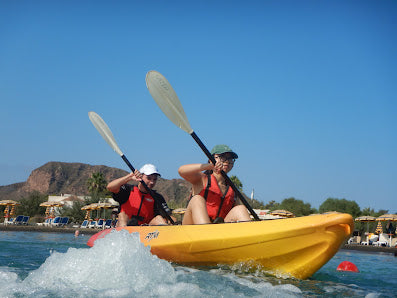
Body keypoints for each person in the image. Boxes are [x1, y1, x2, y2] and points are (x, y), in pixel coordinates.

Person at [179, 144, 251, 225]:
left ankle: (252, 235)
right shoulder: (202, 179)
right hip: (193, 228)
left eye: (230, 158)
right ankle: (206, 232)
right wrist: (210, 166)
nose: (227, 161)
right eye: (223, 157)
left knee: (240, 209)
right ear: (211, 159)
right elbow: (181, 171)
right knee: (197, 199)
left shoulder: (232, 190)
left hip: (217, 229)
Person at [107, 164, 173, 227]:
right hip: (126, 228)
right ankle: (123, 235)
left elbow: (168, 216)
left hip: (146, 230)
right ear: (140, 177)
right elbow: (110, 187)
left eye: (154, 179)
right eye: (149, 178)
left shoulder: (157, 197)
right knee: (122, 215)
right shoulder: (128, 190)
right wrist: (129, 177)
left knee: (159, 218)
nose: (152, 182)